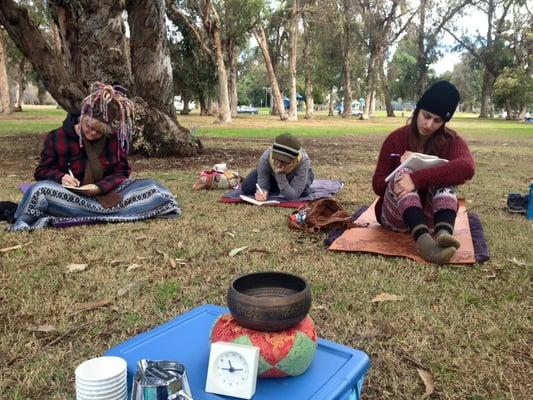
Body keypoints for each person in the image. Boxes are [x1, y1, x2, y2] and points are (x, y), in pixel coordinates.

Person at [9, 82, 180, 231]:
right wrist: (61, 178)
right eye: (89, 126)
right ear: (82, 117)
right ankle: (108, 211)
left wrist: (99, 187)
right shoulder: (56, 137)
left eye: (99, 131)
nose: (92, 133)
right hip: (69, 196)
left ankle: (87, 211)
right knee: (38, 191)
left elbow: (121, 172)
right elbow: (42, 172)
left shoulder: (114, 139)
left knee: (152, 187)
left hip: (107, 195)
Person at [372, 81, 475, 264]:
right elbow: (378, 186)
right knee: (403, 172)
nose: (428, 124)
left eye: (437, 120)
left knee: (445, 176)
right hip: (395, 216)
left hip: (431, 219)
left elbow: (467, 167)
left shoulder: (451, 140)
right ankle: (425, 244)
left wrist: (419, 178)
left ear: (445, 122)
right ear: (417, 110)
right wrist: (405, 174)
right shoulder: (395, 139)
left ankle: (444, 233)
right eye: (426, 116)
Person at [240, 133, 314, 201]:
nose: (279, 165)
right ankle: (280, 188)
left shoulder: (303, 161)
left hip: (292, 177)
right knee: (247, 187)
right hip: (273, 175)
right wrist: (263, 192)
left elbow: (292, 197)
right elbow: (262, 182)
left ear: (293, 160)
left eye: (284, 162)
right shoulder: (266, 156)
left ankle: (281, 188)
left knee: (303, 192)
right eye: (277, 160)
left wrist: (280, 175)